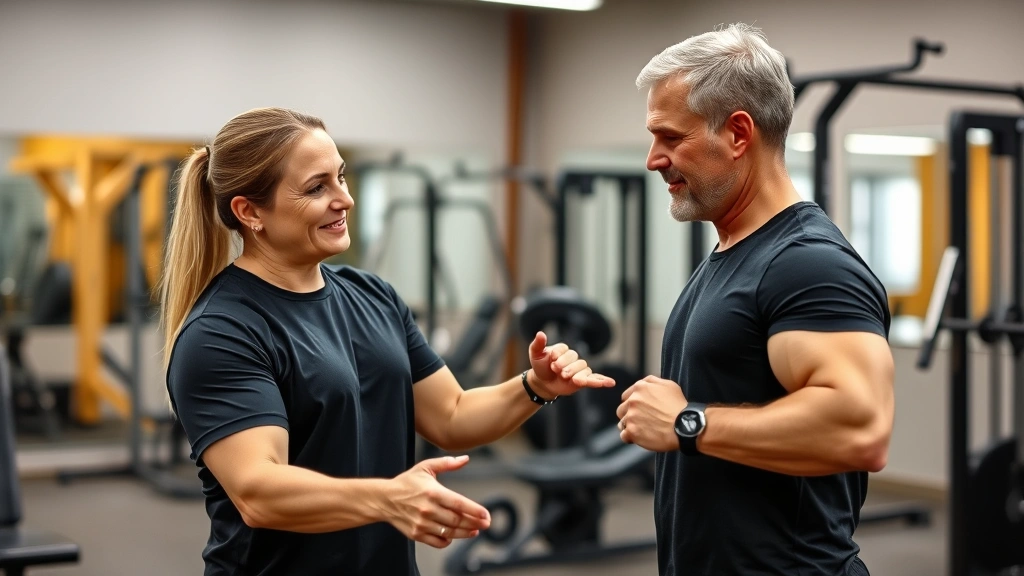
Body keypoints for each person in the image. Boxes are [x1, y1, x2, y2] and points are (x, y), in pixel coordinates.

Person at [160, 107, 615, 576]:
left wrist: (534, 385)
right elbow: (258, 491)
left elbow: (453, 414)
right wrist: (390, 498)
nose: (345, 200)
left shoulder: (373, 295)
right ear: (249, 212)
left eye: (341, 178)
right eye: (317, 188)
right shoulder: (221, 331)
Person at [615, 24, 895, 576]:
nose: (653, 159)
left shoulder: (807, 262)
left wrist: (686, 423)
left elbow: (860, 426)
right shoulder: (731, 252)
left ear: (738, 133)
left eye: (671, 137)